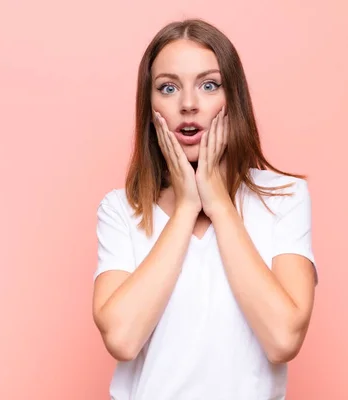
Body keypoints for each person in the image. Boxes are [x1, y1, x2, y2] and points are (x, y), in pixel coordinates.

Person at [92, 18, 318, 400]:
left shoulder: (284, 197)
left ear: (234, 99)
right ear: (150, 108)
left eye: (208, 85)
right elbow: (122, 339)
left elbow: (283, 339)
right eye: (168, 87)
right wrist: (185, 210)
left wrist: (218, 205)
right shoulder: (121, 209)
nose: (189, 105)